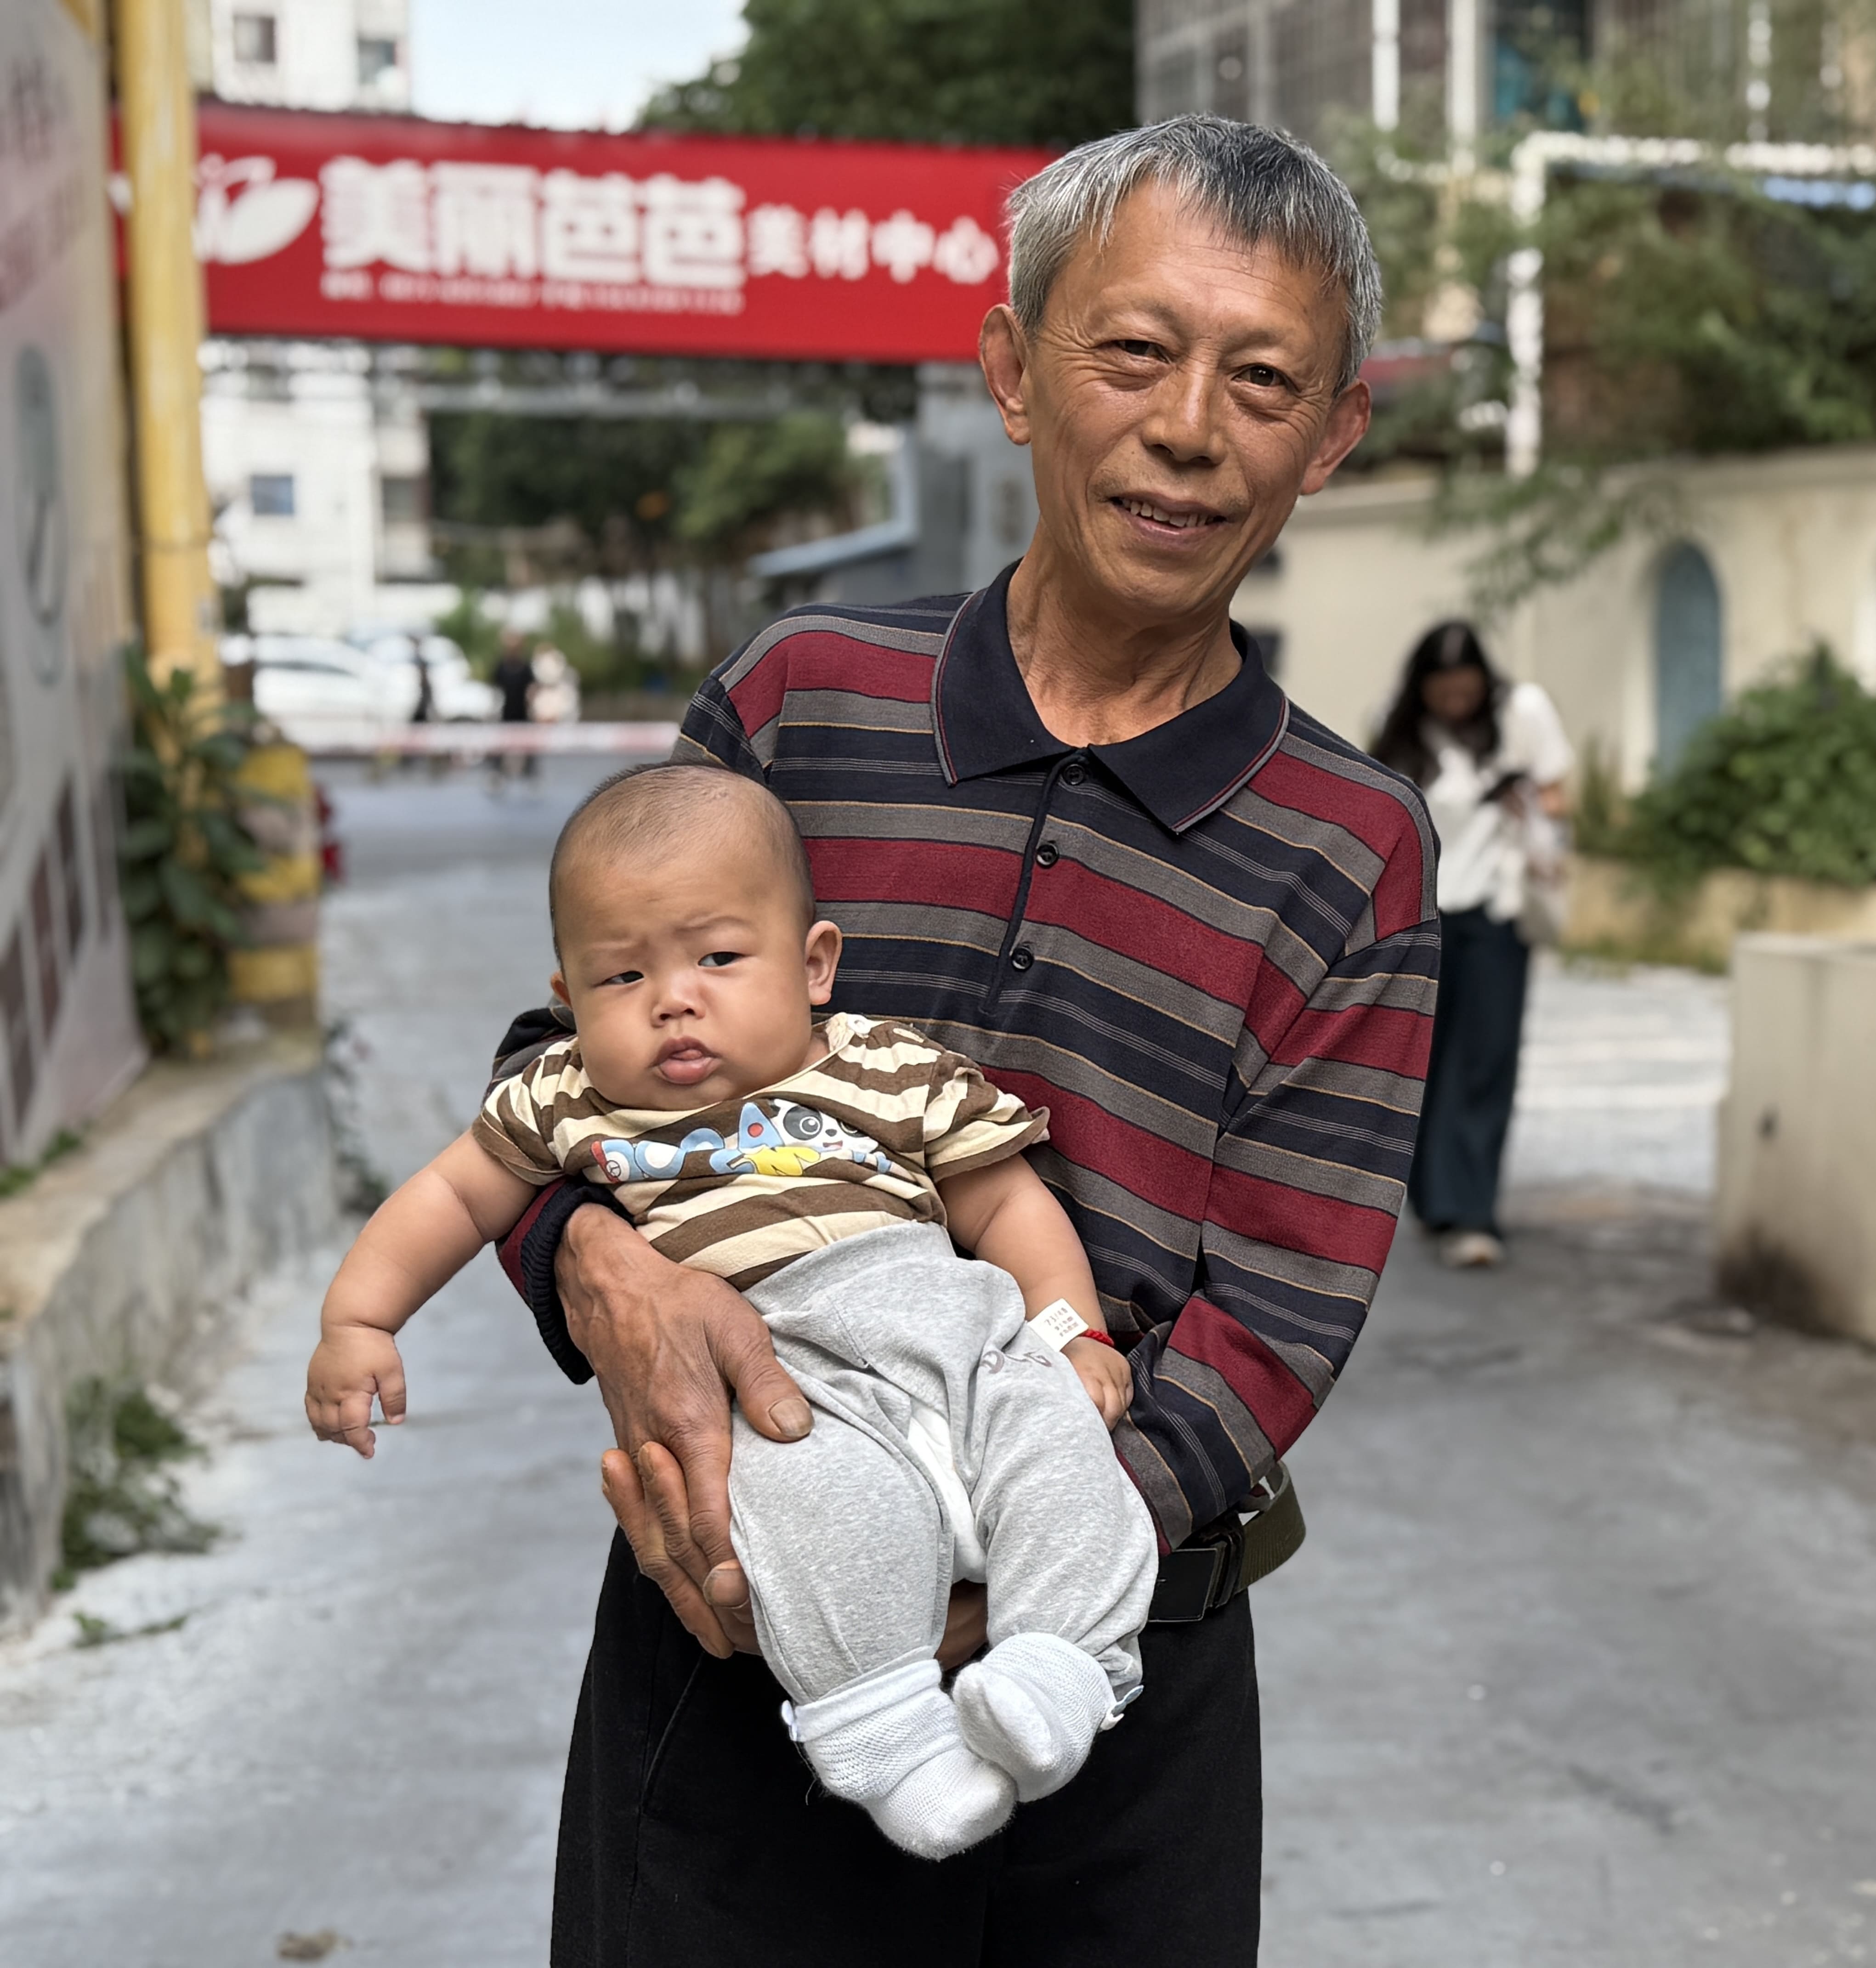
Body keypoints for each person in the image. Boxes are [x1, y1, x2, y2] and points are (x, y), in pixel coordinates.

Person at [488, 115, 1437, 1965]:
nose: (1188, 429)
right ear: (1014, 372)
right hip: (738, 1622)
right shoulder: (800, 702)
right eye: (1133, 353)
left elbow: (1281, 1308)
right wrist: (593, 1269)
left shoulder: (1353, 844)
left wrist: (1017, 1568)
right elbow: (562, 1053)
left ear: (1330, 439)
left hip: (1111, 1676)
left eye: (1263, 380)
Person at [305, 764, 1155, 1863]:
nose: (674, 999)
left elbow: (1007, 1205)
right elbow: (455, 1195)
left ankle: (1059, 1671)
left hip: (946, 1327)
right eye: (622, 976)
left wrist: (1069, 1333)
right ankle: (886, 1733)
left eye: (718, 958)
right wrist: (359, 1321)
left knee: (1059, 1457)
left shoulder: (892, 1067)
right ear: (565, 1000)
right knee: (807, 1507)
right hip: (778, 1369)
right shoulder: (567, 1098)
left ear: (814, 965)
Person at [1371, 621, 1574, 1268]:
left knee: (1487, 1059)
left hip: (1498, 907)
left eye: (1467, 691)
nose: (1456, 703)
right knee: (1423, 1060)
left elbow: (1558, 792)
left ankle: (1475, 1211)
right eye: (1444, 692)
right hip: (1421, 913)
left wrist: (1538, 822)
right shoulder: (1397, 728)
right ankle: (1436, 1197)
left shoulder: (1523, 712)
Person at [491, 631, 538, 786]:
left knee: (528, 746)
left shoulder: (525, 667)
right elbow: (495, 688)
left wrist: (533, 705)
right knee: (501, 746)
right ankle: (497, 774)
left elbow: (533, 688)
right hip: (507, 712)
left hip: (522, 712)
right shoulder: (501, 667)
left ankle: (531, 774)